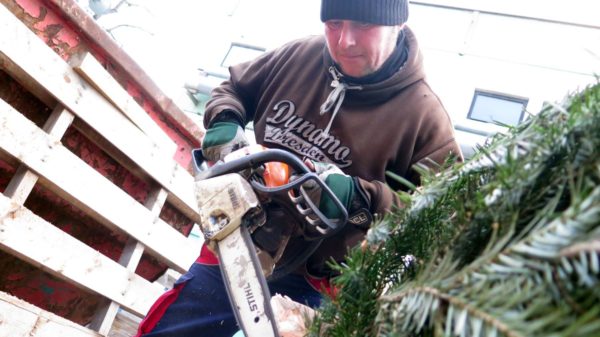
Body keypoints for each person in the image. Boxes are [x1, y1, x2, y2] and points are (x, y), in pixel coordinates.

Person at [136, 0, 462, 336]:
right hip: (244, 242)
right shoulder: (298, 57)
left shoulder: (425, 118)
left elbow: (444, 213)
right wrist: (225, 121)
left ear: (397, 26)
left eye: (363, 26)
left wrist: (359, 199)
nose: (345, 41)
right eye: (334, 23)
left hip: (323, 279)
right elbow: (233, 89)